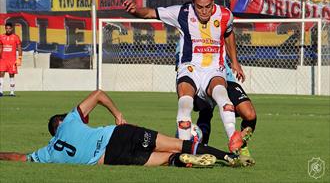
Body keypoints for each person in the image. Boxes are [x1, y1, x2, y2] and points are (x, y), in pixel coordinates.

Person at [123, 0, 246, 149]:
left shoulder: (225, 15)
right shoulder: (182, 12)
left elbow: (228, 33)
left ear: (214, 2)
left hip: (214, 69)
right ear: (193, 3)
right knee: (185, 102)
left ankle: (234, 140)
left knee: (222, 96)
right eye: (199, 7)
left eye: (208, 7)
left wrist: (235, 62)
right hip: (190, 68)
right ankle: (186, 150)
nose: (204, 11)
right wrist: (135, 10)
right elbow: (151, 13)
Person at [0, 90, 254, 167]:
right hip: (118, 133)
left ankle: (182, 161)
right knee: (178, 142)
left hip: (111, 158)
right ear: (61, 122)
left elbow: (17, 157)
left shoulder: (47, 153)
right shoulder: (69, 121)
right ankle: (226, 157)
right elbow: (99, 94)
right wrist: (118, 114)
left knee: (165, 159)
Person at [193, 59, 257, 162]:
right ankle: (200, 150)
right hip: (202, 81)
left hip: (227, 80)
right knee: (205, 112)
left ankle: (240, 144)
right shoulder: (187, 43)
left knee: (250, 115)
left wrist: (234, 61)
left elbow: (228, 43)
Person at [0, 22, 22, 97]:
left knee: (11, 75)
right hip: (3, 59)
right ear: (5, 28)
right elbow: (0, 47)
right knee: (1, 73)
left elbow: (19, 48)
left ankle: (12, 92)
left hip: (12, 60)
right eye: (7, 28)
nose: (8, 30)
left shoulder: (15, 37)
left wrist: (19, 58)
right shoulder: (1, 36)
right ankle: (0, 92)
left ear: (12, 29)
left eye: (9, 28)